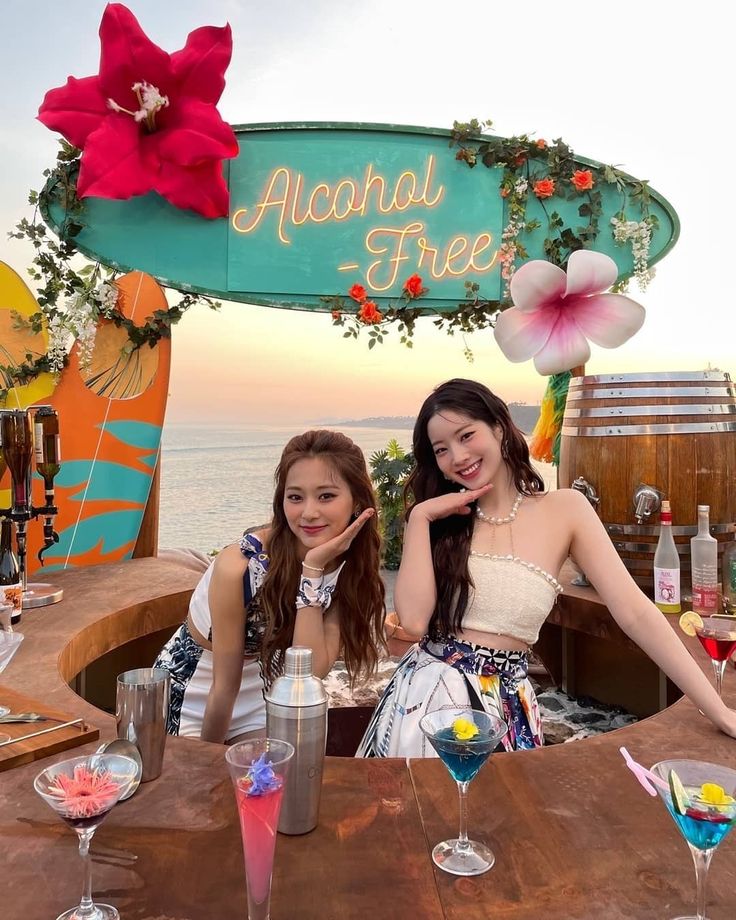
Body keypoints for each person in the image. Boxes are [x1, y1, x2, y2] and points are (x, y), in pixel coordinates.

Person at [358, 378, 736, 757]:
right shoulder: (440, 521)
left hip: (507, 708)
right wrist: (420, 519)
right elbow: (415, 622)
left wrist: (716, 709)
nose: (457, 456)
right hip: (425, 706)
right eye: (441, 449)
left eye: (466, 435)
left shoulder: (565, 509)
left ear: (500, 427)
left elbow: (637, 614)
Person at [155, 430, 385, 743]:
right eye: (295, 497)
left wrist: (312, 571)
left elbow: (312, 669)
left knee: (280, 777)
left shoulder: (346, 564)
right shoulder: (240, 564)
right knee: (203, 786)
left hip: (262, 687)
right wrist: (207, 767)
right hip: (197, 688)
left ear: (357, 501)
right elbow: (223, 687)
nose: (309, 512)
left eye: (326, 496)